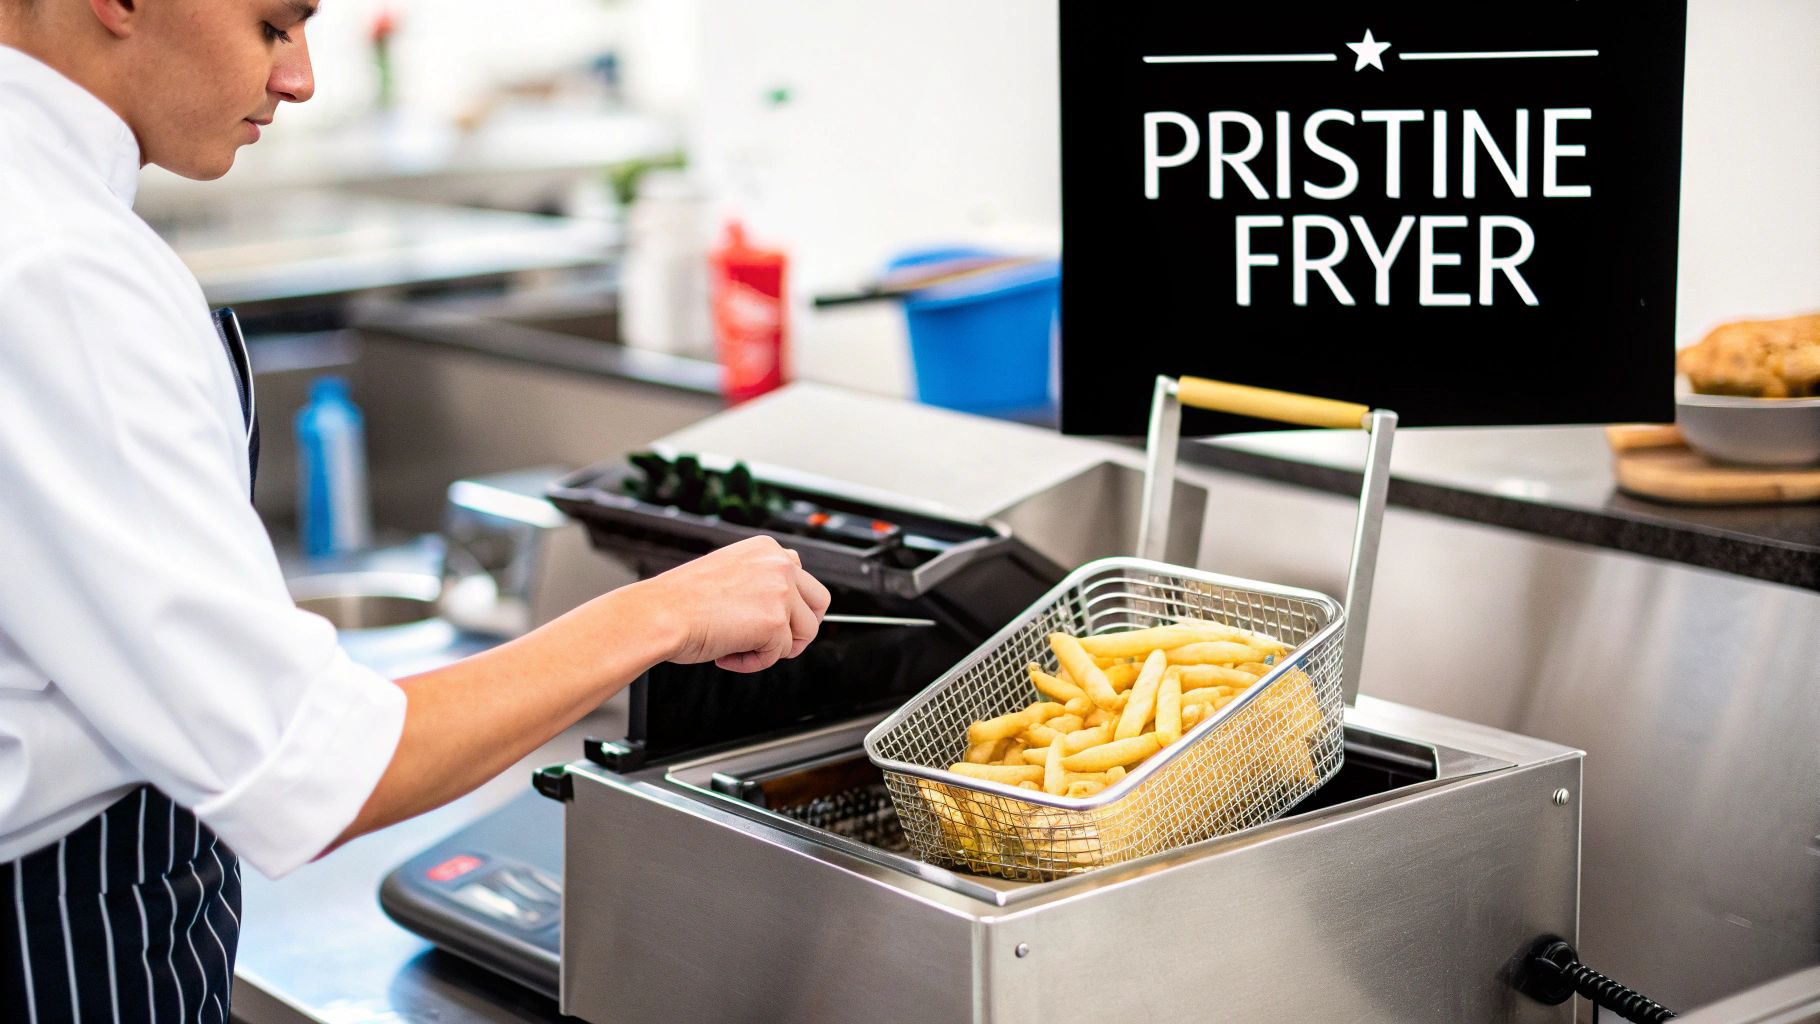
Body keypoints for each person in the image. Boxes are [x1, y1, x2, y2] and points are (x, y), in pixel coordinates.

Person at [0, 0, 832, 1020]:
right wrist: (662, 611)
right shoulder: (59, 269)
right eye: (272, 24)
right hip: (57, 949)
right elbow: (305, 766)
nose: (299, 78)